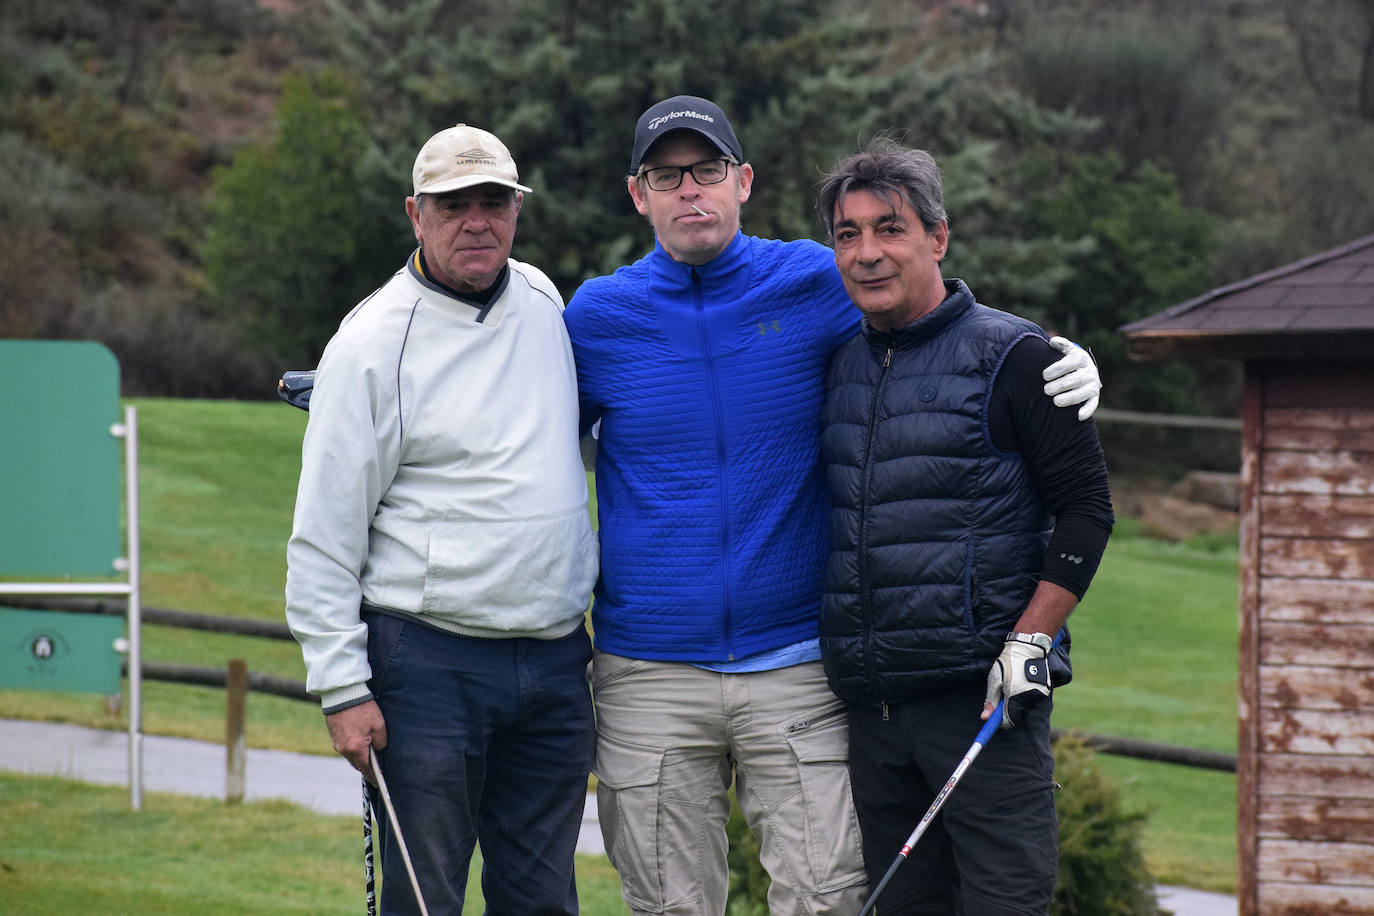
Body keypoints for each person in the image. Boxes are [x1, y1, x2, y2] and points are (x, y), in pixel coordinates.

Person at [561, 96, 1103, 916]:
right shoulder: (594, 317)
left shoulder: (817, 279)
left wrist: (1064, 361)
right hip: (648, 669)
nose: (690, 191)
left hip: (797, 666)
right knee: (669, 906)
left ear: (742, 180)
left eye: (707, 170)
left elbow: (940, 315)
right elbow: (509, 419)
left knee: (828, 902)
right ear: (639, 195)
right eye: (666, 176)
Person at [284, 123, 598, 915]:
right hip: (428, 663)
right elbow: (324, 535)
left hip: (555, 657)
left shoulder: (540, 298)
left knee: (544, 897)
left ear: (517, 210)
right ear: (415, 214)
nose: (477, 221)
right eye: (452, 205)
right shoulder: (370, 344)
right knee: (427, 900)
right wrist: (341, 687)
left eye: (494, 201)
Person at [815, 139, 1116, 914]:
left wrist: (1032, 639)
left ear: (938, 237)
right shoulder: (839, 363)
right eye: (848, 235)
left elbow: (1087, 507)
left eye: (890, 229)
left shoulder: (1017, 358)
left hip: (984, 709)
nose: (868, 252)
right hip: (875, 713)